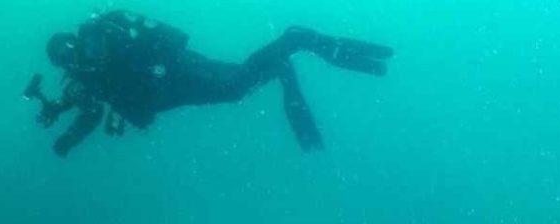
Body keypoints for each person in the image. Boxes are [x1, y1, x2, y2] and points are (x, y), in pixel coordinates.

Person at [26, 11, 393, 157]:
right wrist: (67, 141)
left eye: (69, 53)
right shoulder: (85, 74)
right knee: (237, 87)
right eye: (64, 60)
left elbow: (120, 73)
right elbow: (90, 114)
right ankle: (284, 61)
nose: (72, 61)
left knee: (235, 85)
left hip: (175, 74)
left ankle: (295, 39)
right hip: (170, 92)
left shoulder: (99, 50)